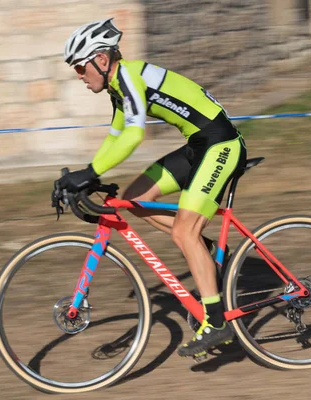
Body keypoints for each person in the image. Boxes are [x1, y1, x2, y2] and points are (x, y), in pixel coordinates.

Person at [56, 18, 247, 359]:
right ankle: (203, 249)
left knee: (183, 232)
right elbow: (115, 136)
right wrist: (89, 175)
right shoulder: (119, 86)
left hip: (221, 144)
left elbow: (134, 134)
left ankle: (217, 323)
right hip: (197, 146)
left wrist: (89, 172)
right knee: (130, 200)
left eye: (81, 68)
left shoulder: (128, 76)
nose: (80, 77)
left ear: (101, 60)